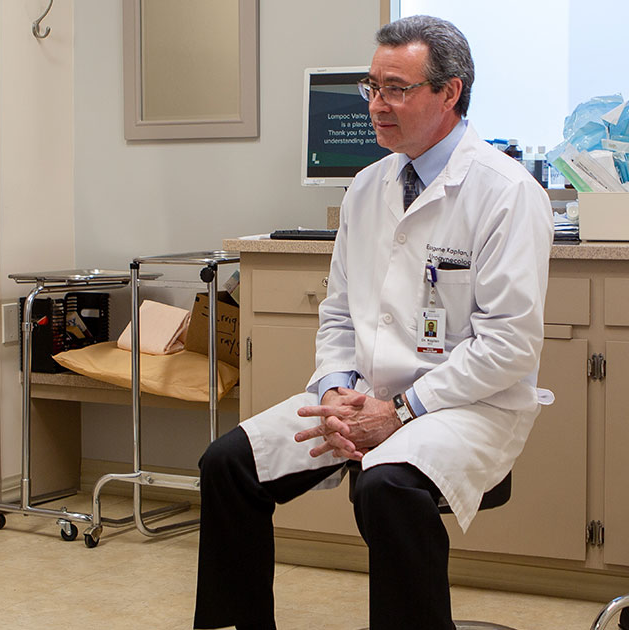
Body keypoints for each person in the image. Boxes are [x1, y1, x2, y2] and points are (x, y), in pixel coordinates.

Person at [194, 16, 552, 630]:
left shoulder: (506, 193)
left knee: (384, 487)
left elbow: (509, 346)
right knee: (227, 465)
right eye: (371, 87)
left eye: (396, 89)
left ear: (450, 92)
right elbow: (338, 312)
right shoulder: (368, 188)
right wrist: (334, 387)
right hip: (364, 398)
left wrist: (403, 411)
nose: (377, 106)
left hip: (468, 407)